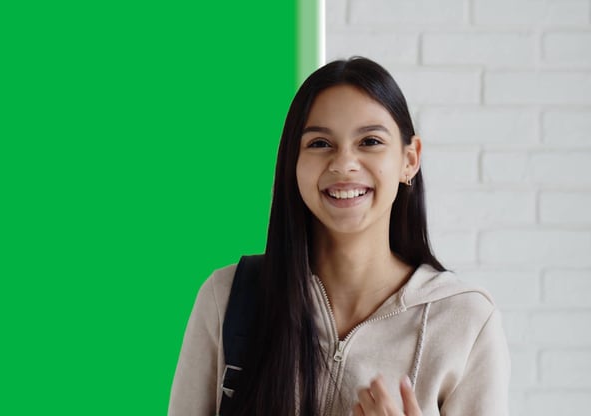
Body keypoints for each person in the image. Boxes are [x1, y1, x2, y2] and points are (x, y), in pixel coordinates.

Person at [168, 57, 510, 416]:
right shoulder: (227, 297)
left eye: (370, 141)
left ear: (410, 159)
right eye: (319, 143)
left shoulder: (465, 321)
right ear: (292, 162)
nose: (344, 163)